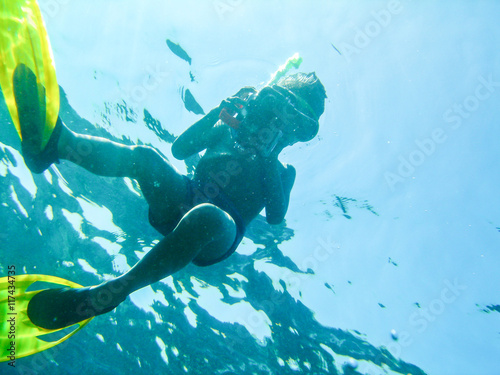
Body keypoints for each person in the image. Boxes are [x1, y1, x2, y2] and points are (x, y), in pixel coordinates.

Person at [14, 65, 327, 329]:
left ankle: (114, 291)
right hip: (183, 197)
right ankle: (56, 145)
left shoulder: (283, 170)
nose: (279, 123)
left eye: (296, 123)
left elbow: (275, 216)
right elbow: (180, 149)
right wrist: (218, 115)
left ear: (301, 133)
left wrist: (269, 159)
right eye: (277, 108)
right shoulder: (227, 130)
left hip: (218, 233)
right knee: (147, 158)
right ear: (263, 102)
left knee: (210, 216)